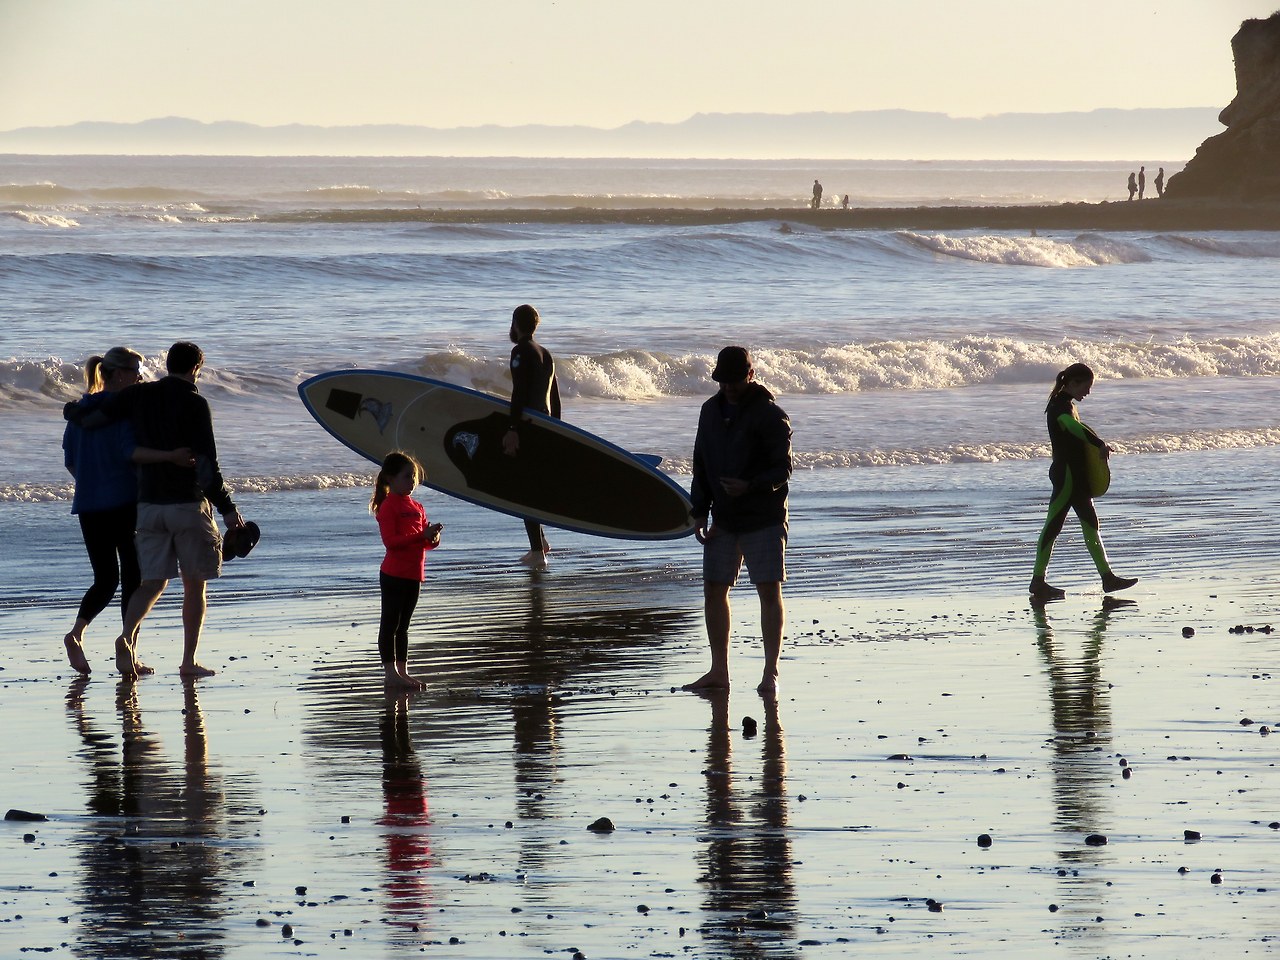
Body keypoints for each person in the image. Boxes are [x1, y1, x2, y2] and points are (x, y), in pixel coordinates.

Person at [66, 341, 245, 679]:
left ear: (167, 364)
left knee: (146, 582)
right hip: (181, 504)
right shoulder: (195, 402)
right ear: (196, 369)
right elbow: (205, 464)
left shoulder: (137, 397)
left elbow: (88, 425)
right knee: (193, 586)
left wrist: (70, 410)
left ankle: (122, 637)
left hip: (144, 507)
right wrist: (227, 507)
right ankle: (186, 661)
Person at [60, 348, 194, 674]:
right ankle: (128, 650)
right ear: (119, 375)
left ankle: (77, 633)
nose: (140, 377)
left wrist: (91, 483)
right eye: (136, 371)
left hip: (88, 506)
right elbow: (130, 453)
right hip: (123, 503)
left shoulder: (79, 412)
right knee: (134, 578)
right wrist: (170, 459)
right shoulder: (122, 412)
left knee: (105, 579)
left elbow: (70, 461)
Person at [683, 347, 793, 694]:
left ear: (750, 375)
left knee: (768, 590)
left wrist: (751, 485)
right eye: (722, 380)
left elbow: (783, 468)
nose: (728, 387)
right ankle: (719, 671)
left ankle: (770, 673)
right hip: (724, 518)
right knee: (714, 590)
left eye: (734, 380)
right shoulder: (709, 411)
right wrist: (699, 510)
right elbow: (700, 462)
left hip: (763, 516)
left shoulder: (771, 415)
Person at [1030, 362, 1138, 601]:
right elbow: (1073, 428)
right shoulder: (1060, 407)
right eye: (1086, 386)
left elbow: (1077, 427)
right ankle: (1038, 581)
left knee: (1090, 524)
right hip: (1067, 476)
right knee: (1053, 526)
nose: (1088, 392)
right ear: (1073, 383)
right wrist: (1098, 443)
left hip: (1077, 477)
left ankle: (1108, 578)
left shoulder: (1066, 404)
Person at [370, 451, 443, 689]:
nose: (411, 481)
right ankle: (390, 673)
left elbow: (424, 542)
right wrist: (421, 536)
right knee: (390, 624)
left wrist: (432, 538)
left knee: (404, 627)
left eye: (413, 476)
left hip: (414, 574)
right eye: (406, 476)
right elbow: (391, 542)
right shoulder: (388, 506)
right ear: (390, 479)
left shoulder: (417, 506)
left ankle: (403, 671)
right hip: (393, 574)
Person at [502, 303, 561, 570]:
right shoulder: (546, 354)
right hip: (545, 425)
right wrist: (558, 431)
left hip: (528, 426)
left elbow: (519, 393)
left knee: (525, 489)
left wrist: (513, 429)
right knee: (532, 486)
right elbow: (556, 400)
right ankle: (541, 543)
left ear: (516, 323)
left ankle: (537, 551)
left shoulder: (520, 351)